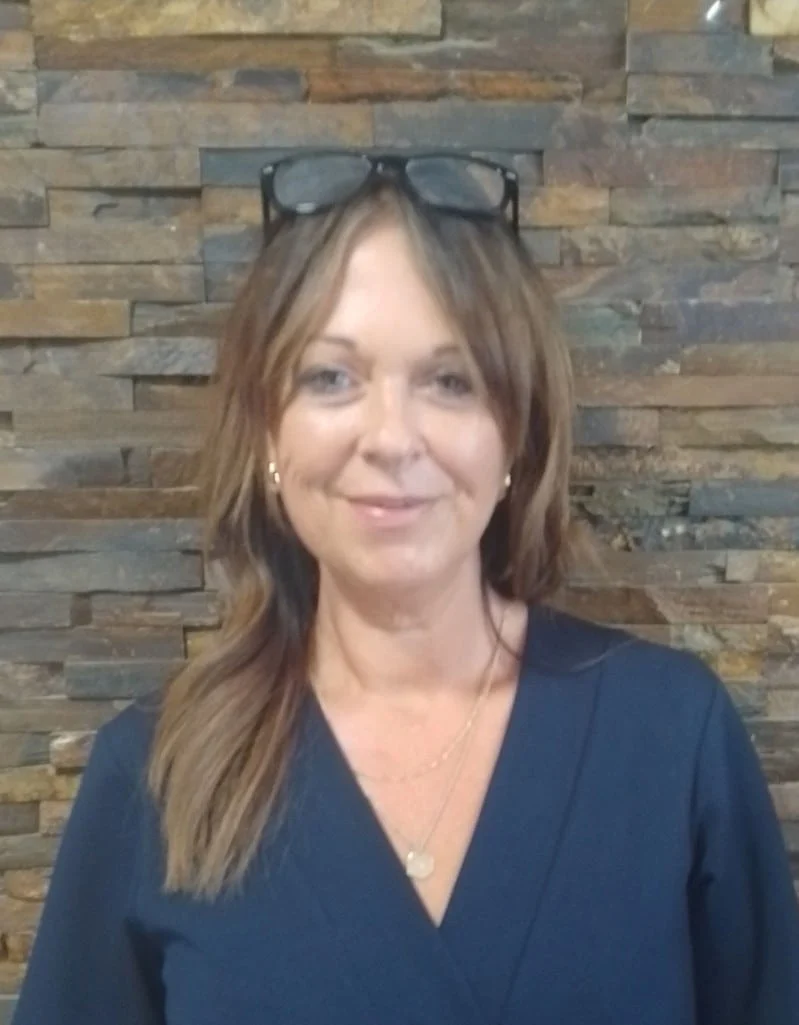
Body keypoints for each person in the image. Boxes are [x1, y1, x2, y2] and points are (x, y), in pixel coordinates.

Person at [11, 149, 799, 1025]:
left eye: (449, 380)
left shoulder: (671, 740)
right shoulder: (155, 777)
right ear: (270, 432)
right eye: (331, 377)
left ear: (514, 433)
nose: (391, 436)